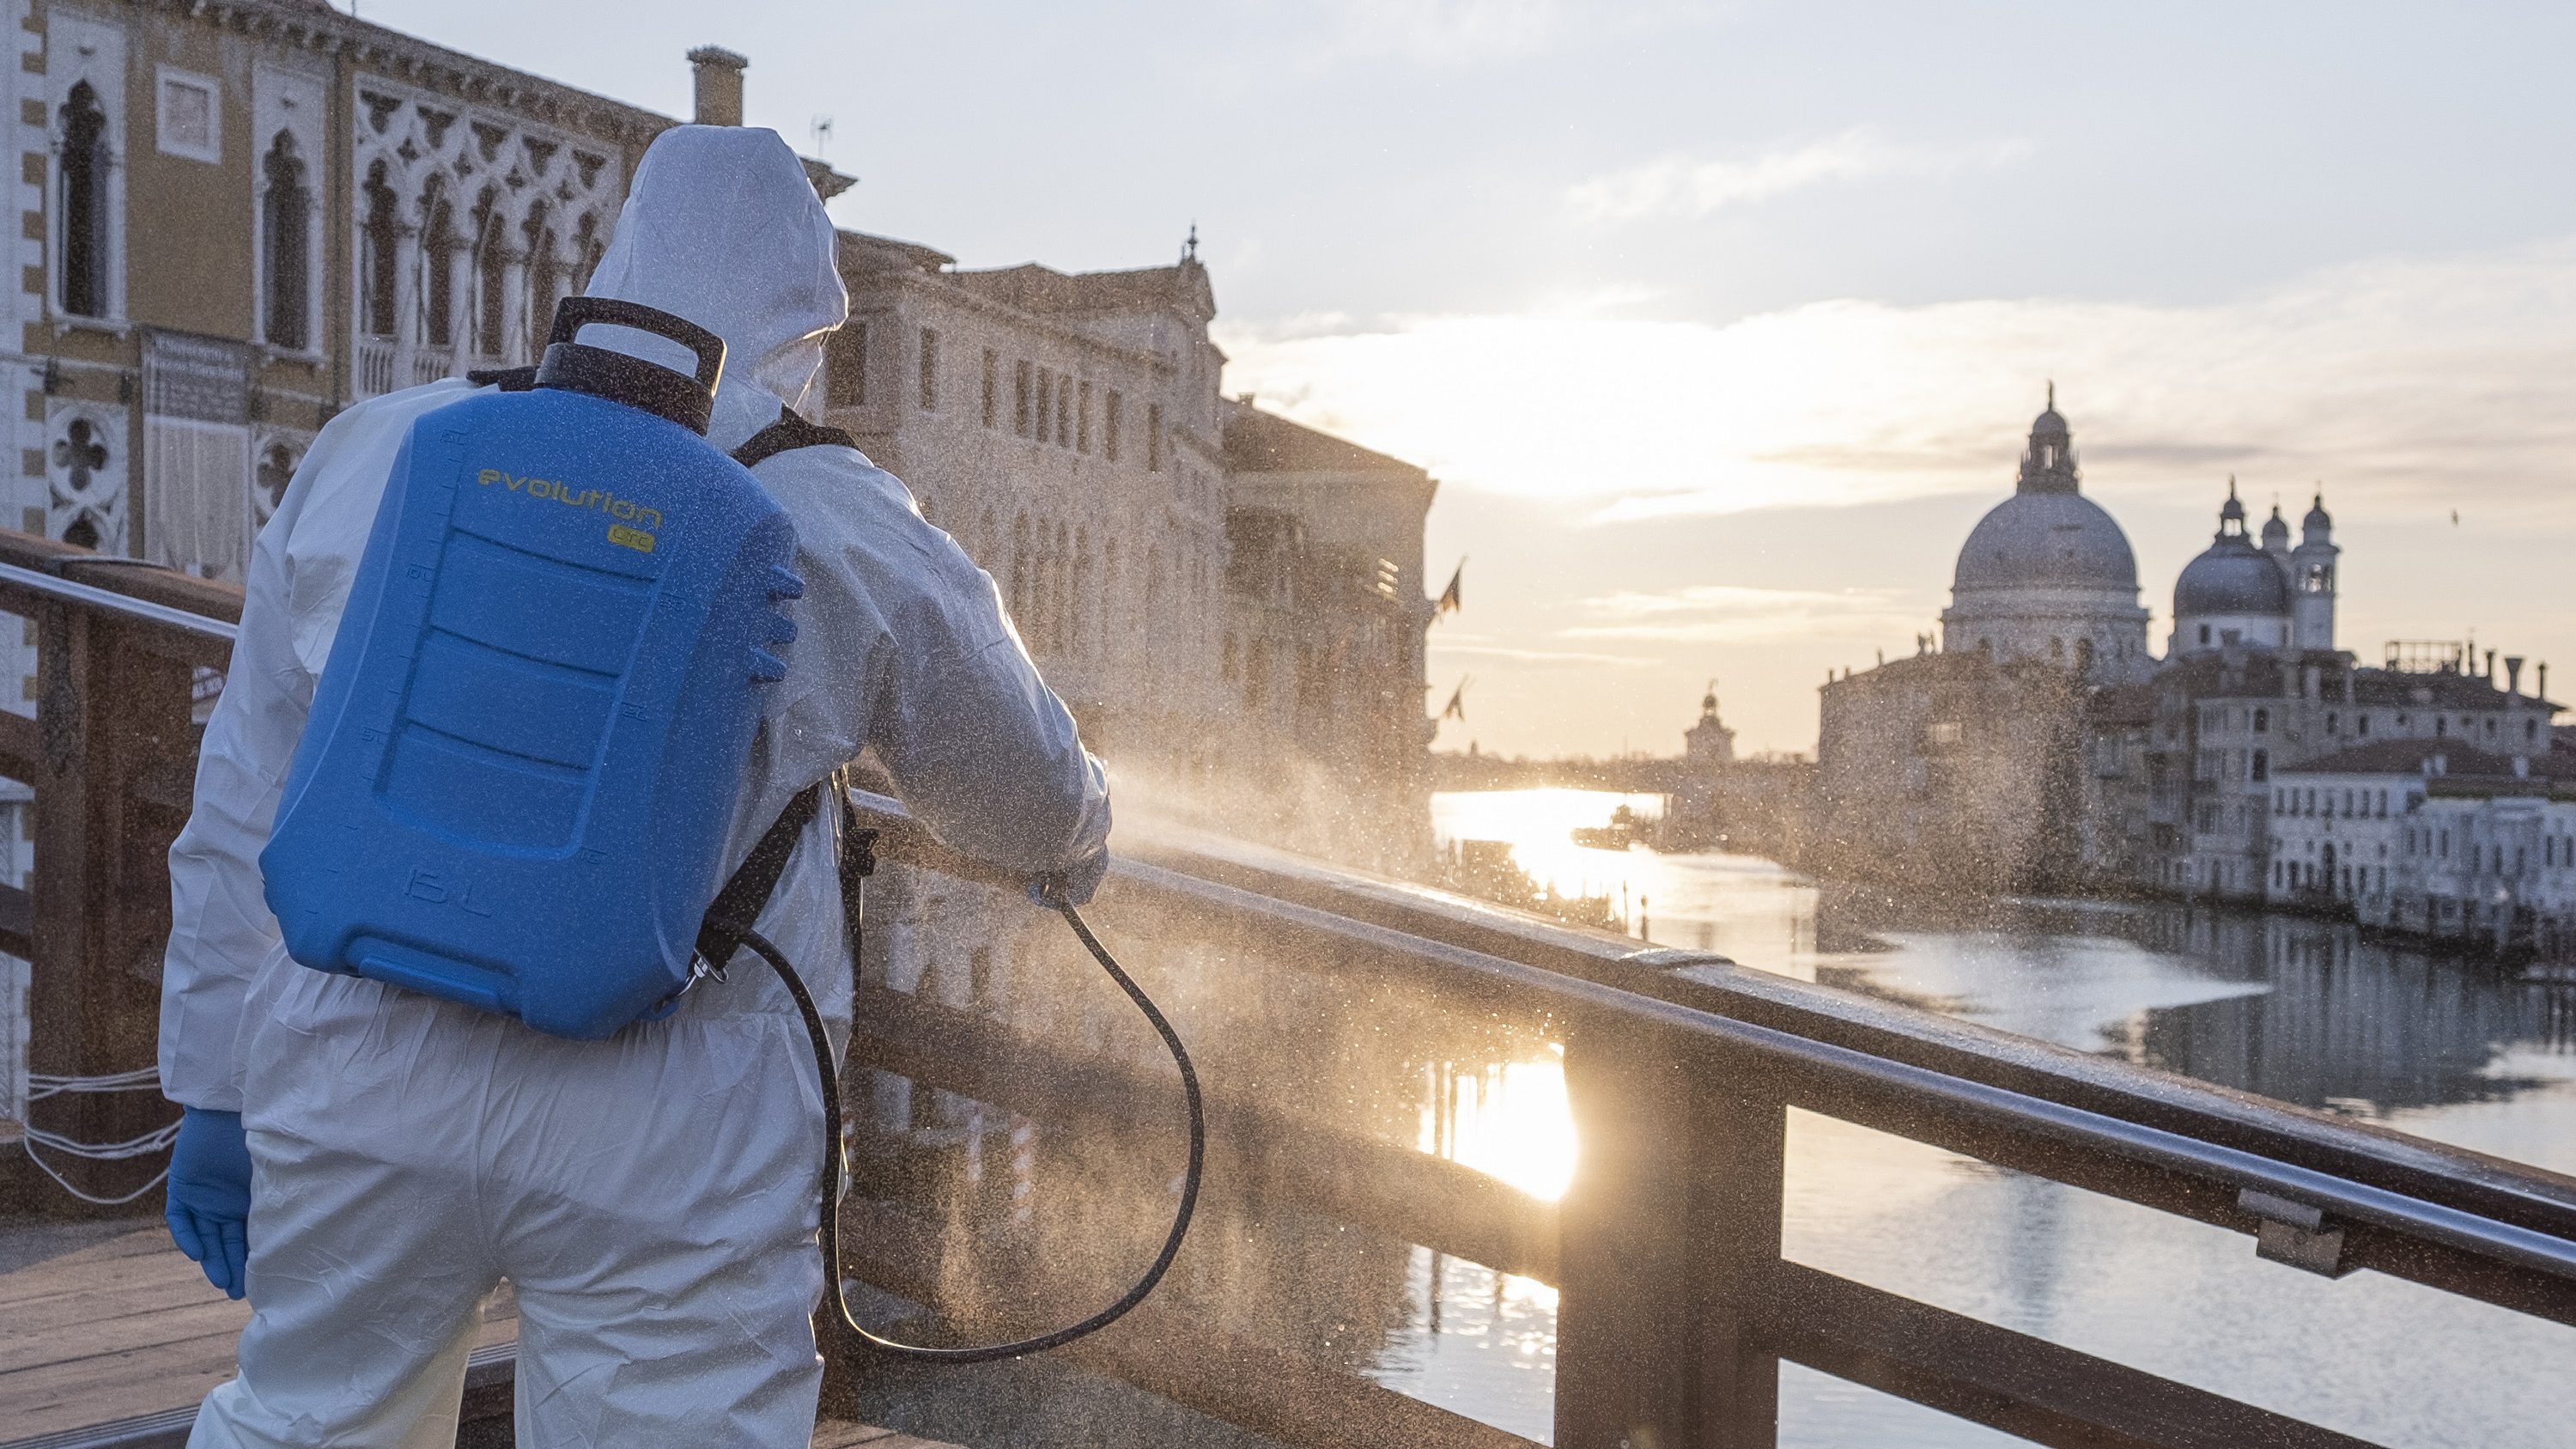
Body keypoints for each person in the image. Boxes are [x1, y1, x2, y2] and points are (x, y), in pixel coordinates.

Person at [156, 125, 1111, 1448]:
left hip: (358, 1062)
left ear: (613, 260)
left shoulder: (386, 443)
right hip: (674, 1109)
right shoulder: (841, 515)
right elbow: (1022, 793)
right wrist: (1083, 837)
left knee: (306, 1423)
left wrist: (212, 1088)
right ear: (806, 331)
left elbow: (246, 794)